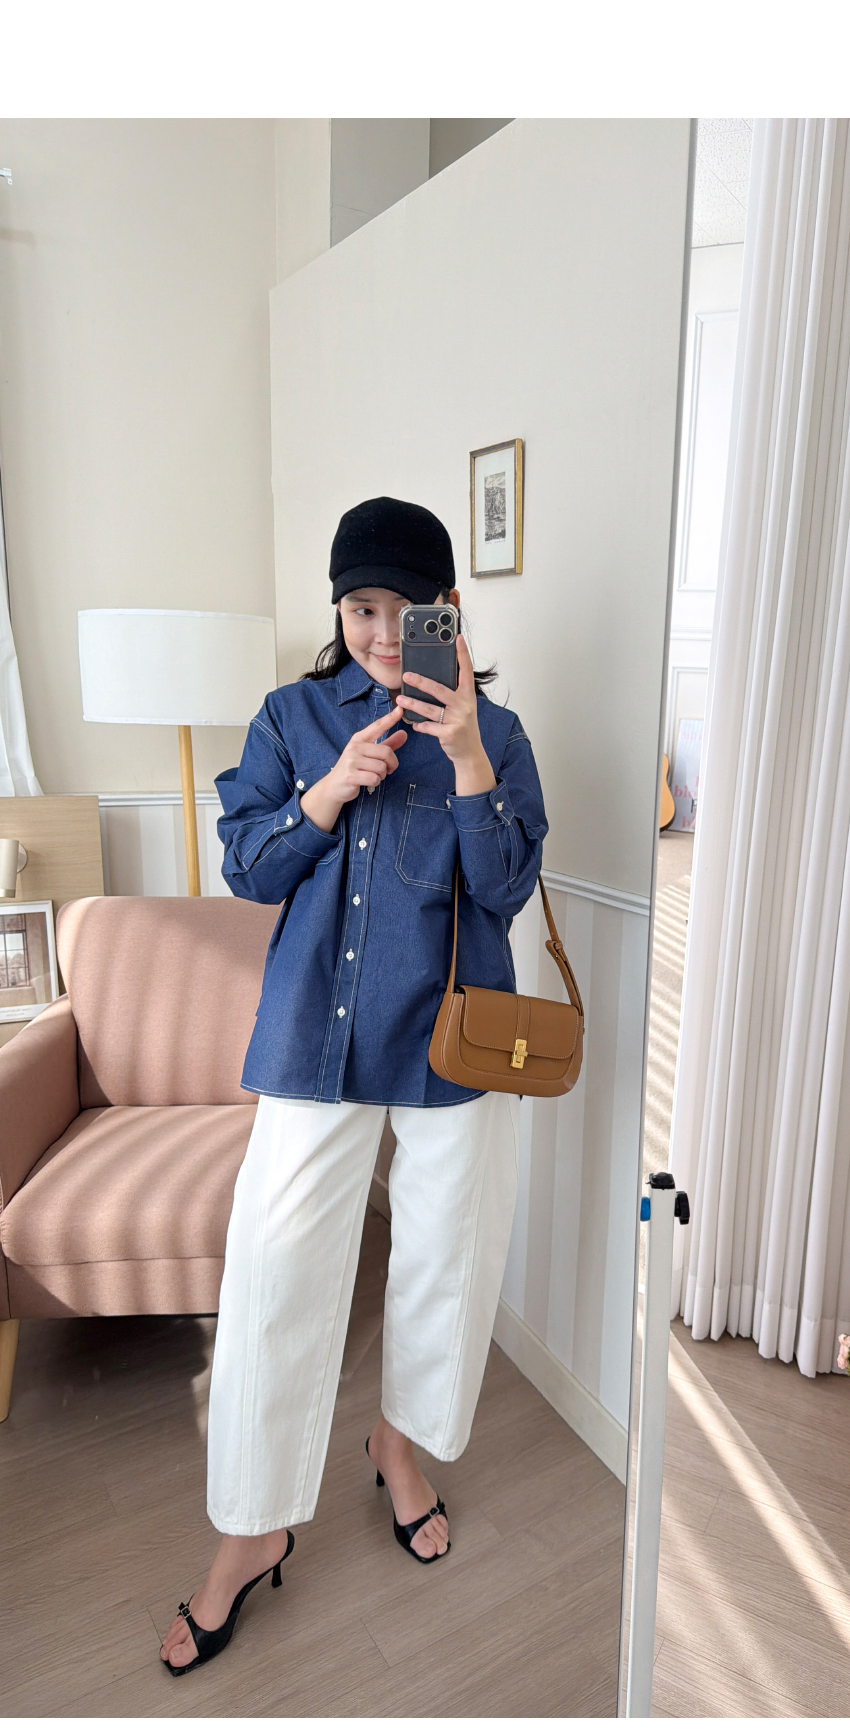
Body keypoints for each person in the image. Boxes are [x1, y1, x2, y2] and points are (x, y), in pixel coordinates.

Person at [159, 495, 548, 1676]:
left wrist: (467, 755)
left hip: (450, 1040)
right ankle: (252, 1524)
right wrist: (328, 788)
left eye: (406, 607)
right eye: (361, 606)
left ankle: (398, 1443)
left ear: (448, 610)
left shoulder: (497, 729)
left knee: (444, 1261)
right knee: (274, 1273)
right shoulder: (290, 716)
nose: (382, 631)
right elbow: (248, 867)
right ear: (338, 609)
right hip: (313, 1039)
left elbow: (506, 889)